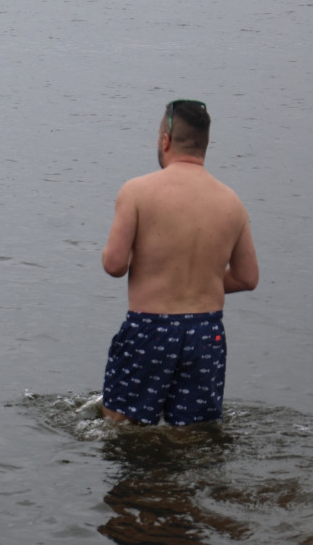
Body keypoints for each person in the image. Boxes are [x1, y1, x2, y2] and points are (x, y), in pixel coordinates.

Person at [100, 100, 259, 426]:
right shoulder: (232, 202)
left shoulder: (137, 191)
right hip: (206, 333)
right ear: (205, 144)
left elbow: (115, 265)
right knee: (193, 435)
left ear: (165, 140)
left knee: (122, 426)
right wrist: (207, 279)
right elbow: (247, 277)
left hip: (151, 329)